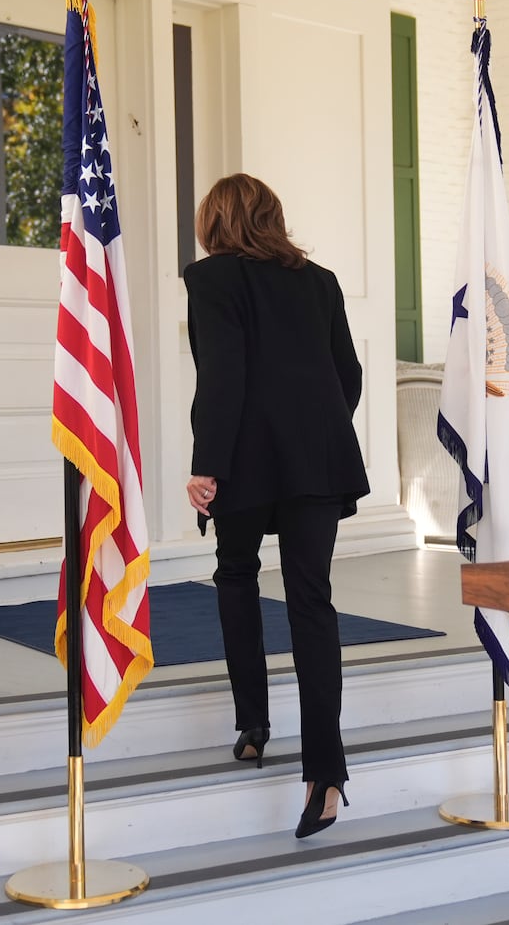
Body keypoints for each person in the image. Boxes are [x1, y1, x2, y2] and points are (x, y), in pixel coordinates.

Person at [183, 173, 369, 839]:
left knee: (236, 576)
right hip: (317, 460)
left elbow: (221, 377)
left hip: (243, 460)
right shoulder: (319, 282)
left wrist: (208, 464)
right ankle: (326, 777)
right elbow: (346, 376)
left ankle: (254, 727)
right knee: (311, 601)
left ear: (215, 222)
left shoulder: (211, 281)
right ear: (273, 217)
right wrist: (311, 431)